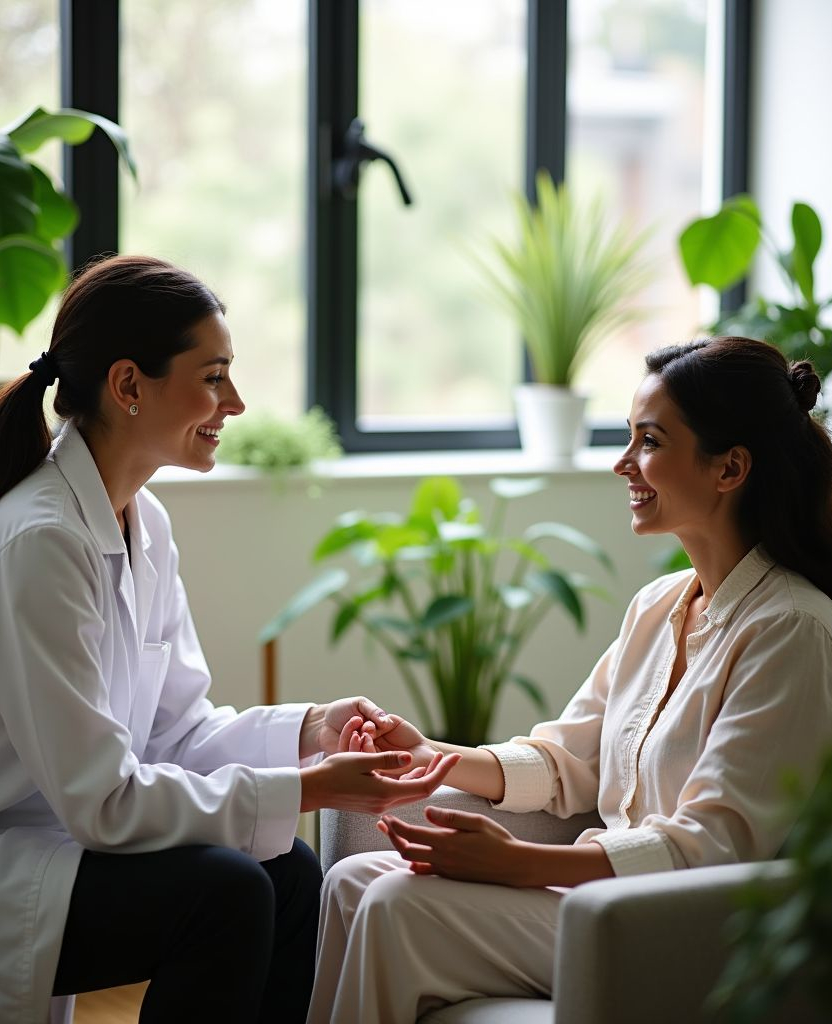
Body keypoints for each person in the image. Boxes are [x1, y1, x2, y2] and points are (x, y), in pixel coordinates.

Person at [305, 335, 832, 1024]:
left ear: (729, 468)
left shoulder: (791, 627)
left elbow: (715, 845)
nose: (622, 462)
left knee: (397, 905)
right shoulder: (659, 606)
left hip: (687, 925)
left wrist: (520, 862)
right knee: (352, 881)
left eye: (649, 441)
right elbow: (565, 761)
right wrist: (431, 754)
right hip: (601, 901)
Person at [0, 254, 460, 1024]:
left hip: (78, 849)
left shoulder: (145, 524)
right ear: (128, 385)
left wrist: (312, 730)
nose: (236, 403)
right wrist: (312, 788)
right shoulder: (43, 540)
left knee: (289, 872)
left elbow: (177, 733)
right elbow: (101, 801)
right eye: (213, 377)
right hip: (26, 861)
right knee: (229, 893)